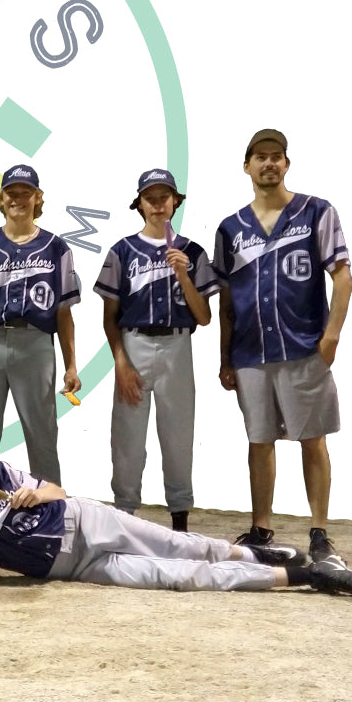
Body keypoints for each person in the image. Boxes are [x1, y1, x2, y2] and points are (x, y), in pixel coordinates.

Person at [0, 418, 352, 600]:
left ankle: (262, 555)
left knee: (179, 545)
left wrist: (37, 494)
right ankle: (308, 577)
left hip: (82, 520)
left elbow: (57, 490)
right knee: (176, 575)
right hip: (71, 566)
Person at [213, 129, 352, 560]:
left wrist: (330, 337)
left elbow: (343, 277)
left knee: (312, 439)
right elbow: (226, 303)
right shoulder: (231, 228)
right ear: (247, 166)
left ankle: (319, 532)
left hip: (302, 347)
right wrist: (225, 359)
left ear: (286, 164)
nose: (269, 163)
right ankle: (261, 529)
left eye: (276, 156)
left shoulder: (316, 212)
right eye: (260, 156)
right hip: (251, 353)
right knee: (259, 441)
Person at [94, 169, 219, 530]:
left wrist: (183, 274)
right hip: (133, 343)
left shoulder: (192, 250)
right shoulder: (122, 250)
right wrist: (120, 363)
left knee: (178, 432)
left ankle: (179, 515)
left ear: (176, 202)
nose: (158, 205)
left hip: (177, 344)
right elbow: (109, 317)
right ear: (139, 204)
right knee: (127, 435)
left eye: (165, 197)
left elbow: (205, 316)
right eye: (151, 198)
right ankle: (125, 512)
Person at [0, 164, 80, 484]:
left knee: (42, 436)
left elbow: (64, 312)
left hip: (35, 342)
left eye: (26, 193)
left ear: (38, 198)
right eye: (12, 193)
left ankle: (49, 513)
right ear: (1, 198)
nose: (18, 199)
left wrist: (71, 365)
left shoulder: (56, 247)